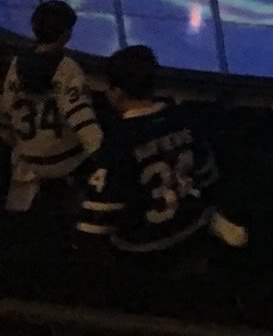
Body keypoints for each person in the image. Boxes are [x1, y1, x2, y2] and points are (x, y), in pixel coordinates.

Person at [76, 46, 246, 260]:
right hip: (192, 234)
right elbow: (208, 175)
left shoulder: (118, 143)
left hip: (144, 248)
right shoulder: (185, 121)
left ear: (116, 93)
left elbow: (97, 221)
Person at [4, 0, 102, 214]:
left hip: (28, 157)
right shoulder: (67, 67)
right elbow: (80, 115)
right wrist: (102, 154)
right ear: (65, 33)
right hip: (65, 159)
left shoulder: (16, 63)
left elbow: (6, 110)